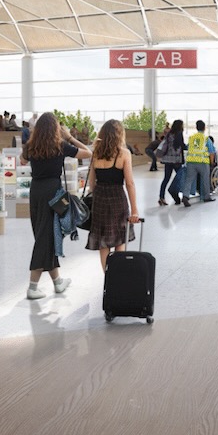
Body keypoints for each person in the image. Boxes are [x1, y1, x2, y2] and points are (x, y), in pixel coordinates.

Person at [22, 112, 91, 298]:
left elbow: (22, 160)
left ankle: (58, 282)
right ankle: (32, 287)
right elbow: (88, 152)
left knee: (45, 234)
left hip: (36, 192)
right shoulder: (60, 145)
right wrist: (69, 137)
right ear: (56, 129)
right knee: (46, 236)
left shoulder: (31, 146)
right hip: (53, 193)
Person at [85, 119, 141, 270]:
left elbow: (91, 183)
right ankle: (118, 277)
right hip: (117, 198)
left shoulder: (95, 153)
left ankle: (108, 278)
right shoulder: (124, 154)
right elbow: (129, 183)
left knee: (103, 242)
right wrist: (134, 209)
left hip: (100, 199)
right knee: (119, 239)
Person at [182, 119, 215, 206]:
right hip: (202, 162)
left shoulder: (191, 138)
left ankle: (185, 196)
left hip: (191, 161)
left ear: (196, 128)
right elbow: (211, 152)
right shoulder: (206, 138)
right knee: (205, 179)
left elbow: (188, 148)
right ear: (204, 128)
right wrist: (212, 163)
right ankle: (206, 197)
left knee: (188, 180)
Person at [157, 120, 186, 206]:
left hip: (167, 160)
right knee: (181, 178)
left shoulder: (169, 134)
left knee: (166, 179)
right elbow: (182, 146)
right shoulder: (179, 133)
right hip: (176, 160)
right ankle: (182, 196)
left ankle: (161, 197)